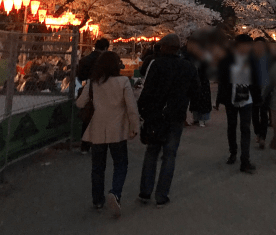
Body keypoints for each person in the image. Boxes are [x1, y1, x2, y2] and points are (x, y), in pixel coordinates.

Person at [137, 34, 199, 207]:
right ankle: (161, 195)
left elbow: (147, 90)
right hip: (176, 115)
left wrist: (142, 110)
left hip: (156, 115)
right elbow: (196, 91)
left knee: (152, 152)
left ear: (163, 47)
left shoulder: (157, 65)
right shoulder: (188, 66)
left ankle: (145, 192)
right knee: (169, 155)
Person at [75, 51, 139, 217]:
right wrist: (135, 126)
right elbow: (131, 107)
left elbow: (80, 103)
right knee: (120, 163)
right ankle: (115, 192)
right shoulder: (123, 81)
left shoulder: (93, 82)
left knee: (97, 167)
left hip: (97, 128)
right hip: (117, 129)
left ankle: (97, 200)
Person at [217, 34, 261, 174]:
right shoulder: (227, 59)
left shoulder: (252, 59)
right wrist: (220, 99)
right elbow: (222, 80)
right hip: (231, 98)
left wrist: (258, 98)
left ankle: (245, 160)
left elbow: (256, 80)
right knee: (231, 127)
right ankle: (233, 152)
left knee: (245, 129)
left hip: (247, 99)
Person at [77, 38, 110, 153]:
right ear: (106, 48)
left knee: (88, 118)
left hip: (89, 89)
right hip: (104, 91)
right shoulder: (106, 61)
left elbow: (80, 76)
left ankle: (84, 146)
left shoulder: (85, 59)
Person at [252, 37, 272, 148]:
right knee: (254, 114)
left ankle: (263, 136)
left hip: (266, 89)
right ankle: (258, 133)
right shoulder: (251, 58)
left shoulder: (269, 58)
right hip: (254, 89)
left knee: (264, 113)